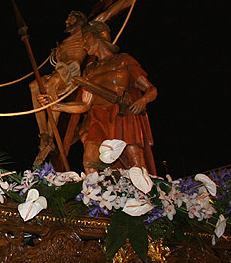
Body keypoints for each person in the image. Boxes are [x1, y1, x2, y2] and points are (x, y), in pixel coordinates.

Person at [38, 21, 157, 174]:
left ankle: (143, 196)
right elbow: (84, 104)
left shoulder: (123, 60)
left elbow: (151, 89)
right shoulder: (89, 71)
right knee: (89, 161)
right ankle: (96, 196)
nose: (84, 43)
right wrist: (55, 105)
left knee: (135, 163)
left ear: (98, 37)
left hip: (122, 115)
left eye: (86, 38)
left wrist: (143, 100)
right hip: (97, 119)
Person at [31, 11, 90, 165]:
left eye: (71, 18)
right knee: (34, 86)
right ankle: (44, 135)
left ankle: (51, 136)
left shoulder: (85, 31)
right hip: (60, 69)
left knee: (51, 84)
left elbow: (110, 12)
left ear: (81, 19)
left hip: (71, 69)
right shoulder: (64, 42)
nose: (67, 21)